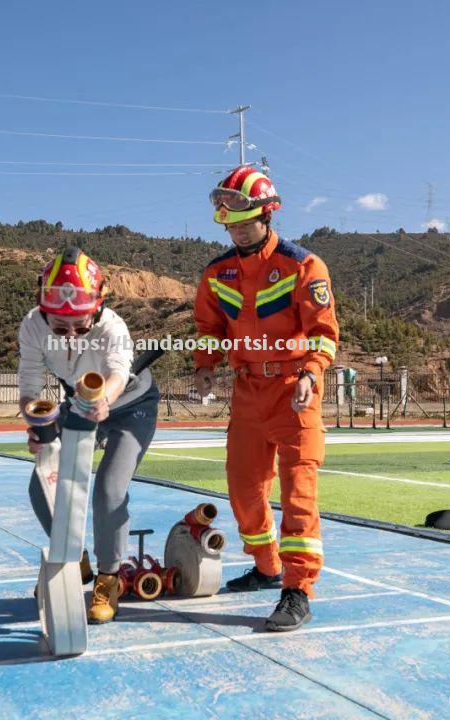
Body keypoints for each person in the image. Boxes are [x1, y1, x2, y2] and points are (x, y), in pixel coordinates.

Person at [193, 165, 339, 632]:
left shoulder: (304, 266)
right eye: (227, 218)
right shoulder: (217, 273)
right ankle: (267, 565)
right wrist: (204, 367)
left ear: (266, 214)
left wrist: (312, 374)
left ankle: (297, 590)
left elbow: (324, 332)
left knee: (299, 492)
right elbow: (210, 328)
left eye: (241, 218)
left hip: (294, 392)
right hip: (247, 393)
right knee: (244, 489)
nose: (233, 225)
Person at [18, 248, 159, 624]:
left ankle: (109, 578)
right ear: (42, 308)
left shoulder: (113, 327)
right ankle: (73, 559)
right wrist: (37, 427)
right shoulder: (32, 326)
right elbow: (30, 387)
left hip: (131, 404)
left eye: (80, 326)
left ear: (97, 306)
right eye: (59, 327)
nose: (69, 335)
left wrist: (105, 402)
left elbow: (116, 374)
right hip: (79, 402)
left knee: (109, 491)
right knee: (41, 484)